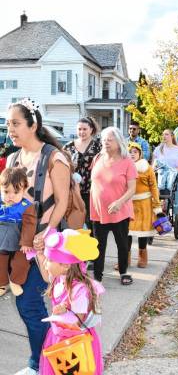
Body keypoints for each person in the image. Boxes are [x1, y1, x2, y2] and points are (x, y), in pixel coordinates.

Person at [6, 98, 71, 375]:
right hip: (16, 243)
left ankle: (40, 363)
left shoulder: (54, 158)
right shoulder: (12, 158)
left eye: (16, 123)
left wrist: (47, 232)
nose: (11, 129)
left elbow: (63, 201)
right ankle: (46, 361)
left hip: (44, 244)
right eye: (8, 123)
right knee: (26, 305)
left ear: (33, 125)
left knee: (30, 304)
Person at [38, 227, 104, 375]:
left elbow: (78, 323)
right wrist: (40, 254)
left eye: (50, 260)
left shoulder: (79, 290)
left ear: (65, 265)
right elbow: (45, 274)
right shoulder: (58, 279)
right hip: (58, 337)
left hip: (75, 343)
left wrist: (65, 310)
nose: (45, 264)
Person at [90, 127, 137, 285]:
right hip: (99, 211)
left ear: (118, 142)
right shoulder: (97, 158)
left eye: (109, 140)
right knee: (98, 246)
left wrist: (119, 202)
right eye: (104, 139)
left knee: (122, 244)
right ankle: (97, 277)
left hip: (120, 211)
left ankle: (123, 272)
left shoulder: (127, 162)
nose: (105, 142)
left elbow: (132, 189)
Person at [0, 168, 37, 297]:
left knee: (21, 262)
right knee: (1, 262)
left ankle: (15, 281)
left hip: (19, 241)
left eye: (16, 192)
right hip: (2, 239)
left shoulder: (26, 206)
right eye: (6, 191)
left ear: (24, 190)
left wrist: (26, 242)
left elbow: (29, 224)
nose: (10, 196)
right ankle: (2, 283)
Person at [128, 142, 162, 268]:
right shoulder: (124, 166)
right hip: (129, 203)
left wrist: (157, 205)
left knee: (142, 233)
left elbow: (153, 186)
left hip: (144, 204)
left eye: (135, 152)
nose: (132, 154)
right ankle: (125, 259)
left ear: (140, 154)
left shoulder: (146, 167)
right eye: (130, 152)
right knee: (127, 232)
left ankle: (142, 258)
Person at [64, 117, 101, 230]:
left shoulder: (99, 146)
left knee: (91, 222)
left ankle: (91, 246)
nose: (82, 132)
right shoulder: (68, 146)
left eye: (85, 129)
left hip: (92, 191)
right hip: (73, 190)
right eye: (79, 129)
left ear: (91, 129)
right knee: (74, 220)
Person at [152, 129, 178, 216]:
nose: (164, 136)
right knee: (158, 196)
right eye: (163, 134)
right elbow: (153, 164)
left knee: (175, 198)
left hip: (174, 176)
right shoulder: (158, 149)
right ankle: (158, 214)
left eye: (166, 134)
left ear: (172, 136)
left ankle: (175, 215)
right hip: (160, 175)